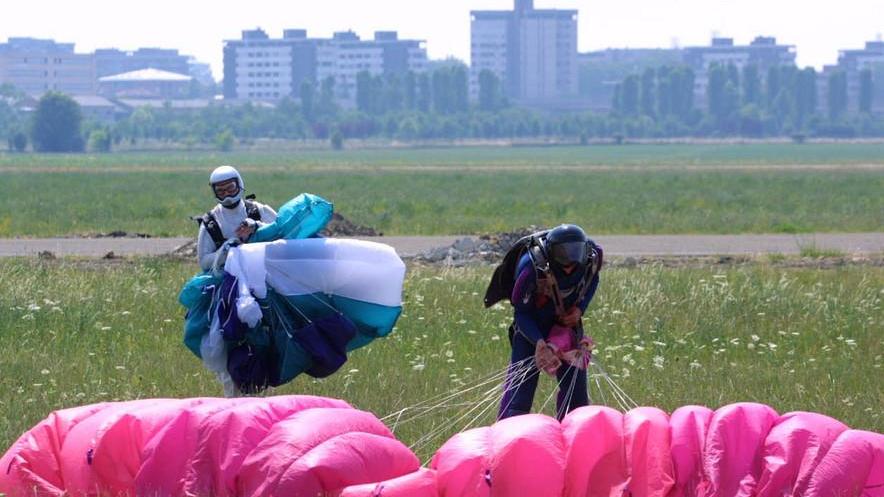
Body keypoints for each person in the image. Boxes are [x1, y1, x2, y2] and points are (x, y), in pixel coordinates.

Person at [484, 224, 603, 420]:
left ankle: (572, 439)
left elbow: (593, 281)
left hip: (565, 329)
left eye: (575, 252)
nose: (570, 262)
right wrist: (539, 342)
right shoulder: (531, 267)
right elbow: (521, 313)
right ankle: (508, 439)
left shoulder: (591, 259)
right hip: (531, 330)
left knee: (576, 394)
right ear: (551, 252)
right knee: (520, 393)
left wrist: (580, 310)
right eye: (563, 254)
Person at [196, 166, 277, 272]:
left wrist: (257, 227)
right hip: (228, 279)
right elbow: (204, 262)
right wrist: (225, 251)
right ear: (215, 192)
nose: (227, 194)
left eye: (231, 188)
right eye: (221, 191)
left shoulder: (258, 210)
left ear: (239, 184)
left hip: (265, 272)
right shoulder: (211, 222)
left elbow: (282, 232)